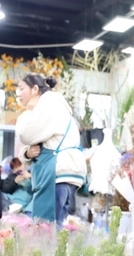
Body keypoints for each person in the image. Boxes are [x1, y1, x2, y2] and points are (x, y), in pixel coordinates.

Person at [15, 74, 87, 226]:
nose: (18, 93)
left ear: (35, 89)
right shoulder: (55, 105)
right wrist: (27, 153)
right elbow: (42, 142)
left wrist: (29, 110)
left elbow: (25, 133)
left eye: (22, 88)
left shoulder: (48, 105)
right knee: (55, 228)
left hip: (56, 174)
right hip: (66, 173)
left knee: (45, 231)